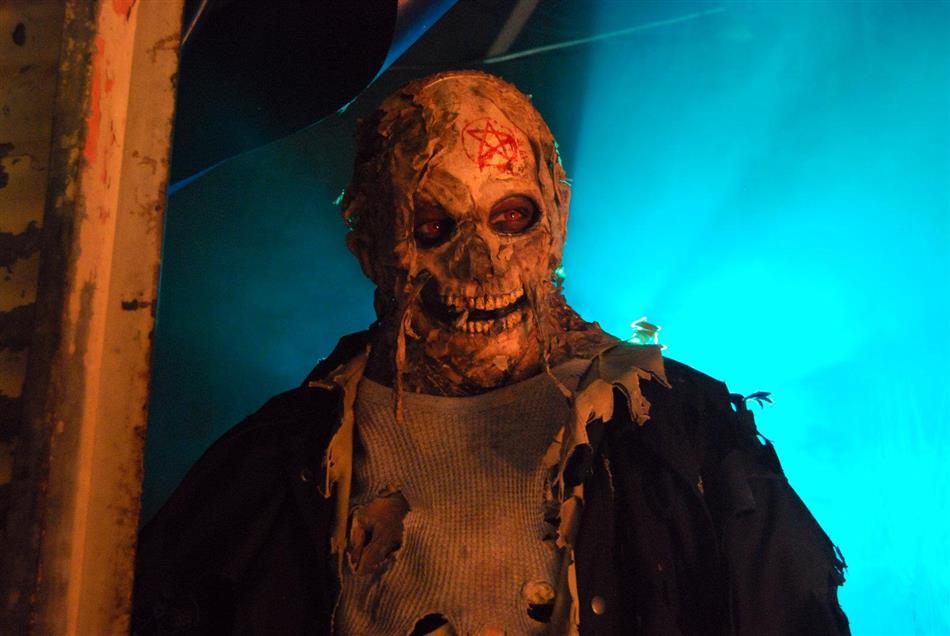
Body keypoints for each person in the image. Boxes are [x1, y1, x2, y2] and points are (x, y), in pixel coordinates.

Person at [133, 71, 849, 635]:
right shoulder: (278, 461)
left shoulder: (678, 433)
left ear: (556, 221)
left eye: (511, 217)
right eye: (433, 226)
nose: (481, 264)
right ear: (371, 251)